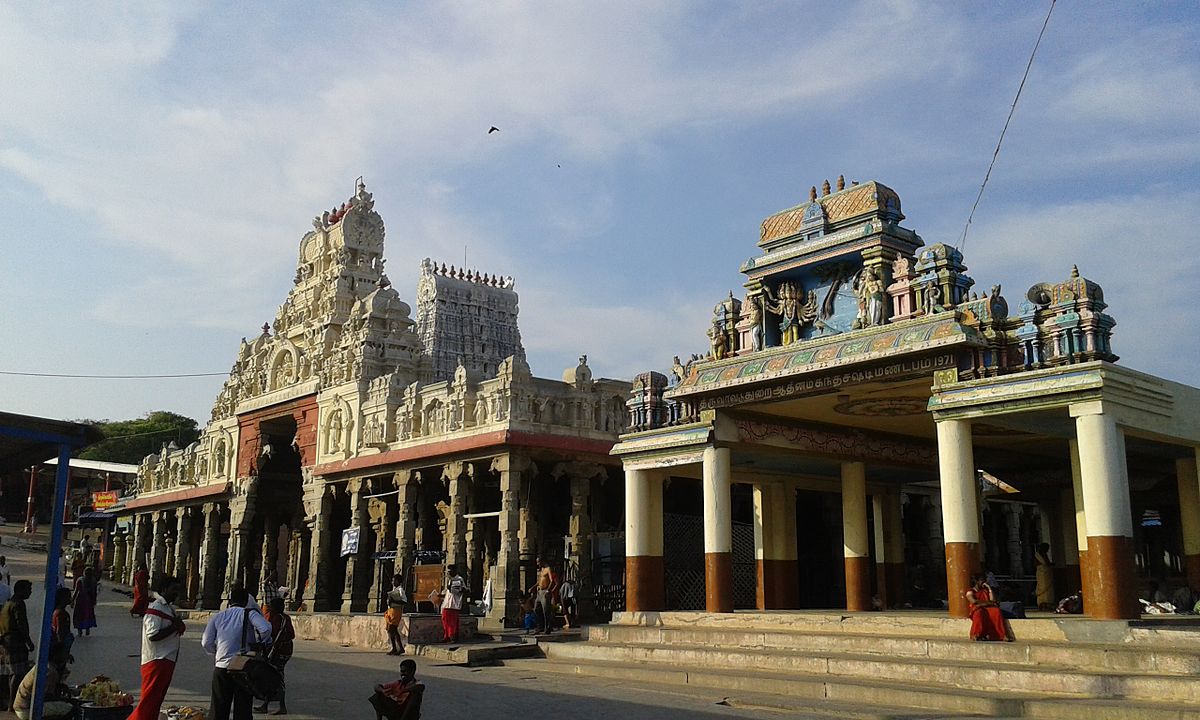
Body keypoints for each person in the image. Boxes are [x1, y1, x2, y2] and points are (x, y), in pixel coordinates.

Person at [202, 585, 272, 720]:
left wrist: (217, 653)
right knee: (243, 708)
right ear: (246, 601)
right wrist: (259, 644)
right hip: (243, 667)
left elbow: (206, 642)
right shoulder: (249, 614)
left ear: (229, 600)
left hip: (222, 667)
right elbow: (265, 629)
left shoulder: (219, 616)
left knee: (218, 708)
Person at [130, 574, 185, 720]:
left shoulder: (168, 608)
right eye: (174, 589)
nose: (176, 593)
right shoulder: (156, 607)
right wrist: (174, 626)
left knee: (155, 702)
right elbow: (152, 635)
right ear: (164, 589)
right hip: (156, 660)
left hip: (166, 659)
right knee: (148, 702)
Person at [255, 596, 294, 715]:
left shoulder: (279, 619)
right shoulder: (282, 618)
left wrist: (269, 653)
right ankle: (265, 704)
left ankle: (282, 706)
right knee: (271, 677)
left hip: (280, 652)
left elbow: (277, 638)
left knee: (277, 677)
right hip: (281, 651)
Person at [12, 644, 73, 719]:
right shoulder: (51, 671)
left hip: (21, 706)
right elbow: (46, 697)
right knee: (68, 708)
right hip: (26, 710)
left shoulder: (44, 664)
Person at [0, 580, 34, 711]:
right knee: (17, 673)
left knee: (7, 672)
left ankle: (7, 702)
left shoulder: (7, 604)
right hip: (15, 643)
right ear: (20, 590)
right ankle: (12, 703)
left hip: (5, 643)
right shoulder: (18, 604)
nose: (30, 592)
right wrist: (29, 641)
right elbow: (22, 625)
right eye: (28, 589)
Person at [966, 574, 1011, 641]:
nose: (984, 582)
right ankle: (976, 635)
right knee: (979, 613)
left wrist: (989, 589)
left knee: (996, 611)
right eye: (981, 580)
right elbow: (974, 601)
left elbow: (992, 600)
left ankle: (1001, 635)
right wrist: (989, 603)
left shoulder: (985, 590)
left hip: (987, 607)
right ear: (977, 581)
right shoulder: (970, 591)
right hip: (978, 608)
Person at [530, 558, 557, 634]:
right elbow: (539, 581)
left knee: (546, 610)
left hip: (545, 591)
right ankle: (539, 626)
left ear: (542, 561)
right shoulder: (541, 570)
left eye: (538, 562)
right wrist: (533, 587)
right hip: (539, 591)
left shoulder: (548, 569)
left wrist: (548, 590)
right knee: (536, 609)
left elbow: (551, 581)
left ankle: (547, 627)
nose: (537, 564)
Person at [440, 565, 466, 644]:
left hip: (454, 604)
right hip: (447, 603)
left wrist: (456, 589)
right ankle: (446, 635)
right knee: (445, 619)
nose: (449, 573)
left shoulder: (459, 579)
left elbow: (463, 589)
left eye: (450, 571)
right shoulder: (450, 580)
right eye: (448, 572)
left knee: (452, 622)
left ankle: (452, 636)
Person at [384, 573, 407, 656]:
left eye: (395, 581)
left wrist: (394, 601)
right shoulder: (394, 589)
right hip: (391, 610)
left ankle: (397, 648)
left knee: (392, 628)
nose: (393, 582)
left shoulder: (400, 590)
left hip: (396, 611)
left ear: (399, 582)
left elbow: (404, 601)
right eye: (392, 581)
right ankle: (397, 647)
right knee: (391, 630)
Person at [72, 566, 99, 636]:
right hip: (89, 601)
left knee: (79, 615)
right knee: (88, 615)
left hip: (80, 600)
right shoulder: (93, 580)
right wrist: (94, 600)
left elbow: (76, 591)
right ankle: (87, 629)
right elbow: (95, 592)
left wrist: (72, 600)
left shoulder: (80, 580)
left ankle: (79, 631)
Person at [49, 588, 73, 657]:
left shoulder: (56, 611)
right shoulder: (62, 614)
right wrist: (63, 652)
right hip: (60, 649)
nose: (70, 598)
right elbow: (60, 632)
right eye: (68, 596)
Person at [1034, 543, 1055, 611]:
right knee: (1044, 586)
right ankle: (1044, 604)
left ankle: (1043, 604)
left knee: (1044, 587)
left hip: (1042, 572)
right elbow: (1046, 563)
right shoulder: (1041, 554)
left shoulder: (1037, 555)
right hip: (1043, 572)